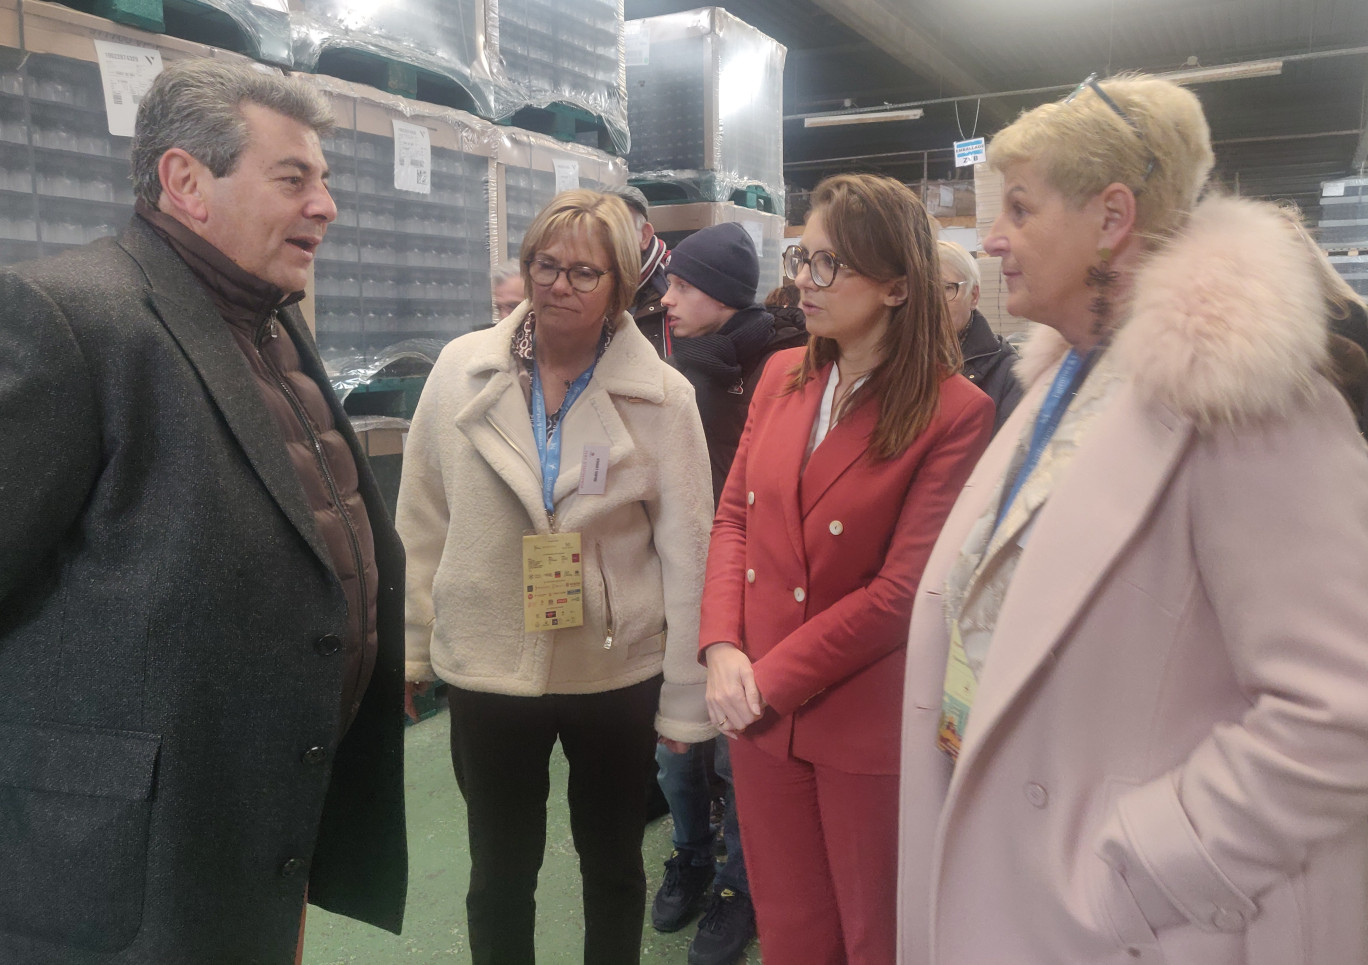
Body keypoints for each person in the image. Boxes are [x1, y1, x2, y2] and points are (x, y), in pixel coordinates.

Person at [897, 73, 1368, 965]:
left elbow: (1341, 707)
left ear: (1111, 218)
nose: (992, 237)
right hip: (1024, 878)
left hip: (1131, 921)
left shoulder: (1250, 401)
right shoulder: (1068, 379)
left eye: (1022, 210)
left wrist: (1143, 868)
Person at [0, 58, 407, 964]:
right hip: (124, 872)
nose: (325, 206)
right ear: (186, 181)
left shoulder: (269, 322)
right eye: (293, 179)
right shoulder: (74, 320)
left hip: (256, 823)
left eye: (325, 181)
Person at [396, 189, 716, 965]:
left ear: (621, 284)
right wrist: (408, 651)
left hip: (614, 667)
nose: (558, 285)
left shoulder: (663, 398)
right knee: (498, 870)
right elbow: (421, 520)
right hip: (487, 662)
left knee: (612, 867)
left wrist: (684, 695)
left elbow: (688, 551)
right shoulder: (457, 372)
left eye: (583, 271)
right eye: (545, 264)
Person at [699, 173, 994, 965]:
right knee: (792, 930)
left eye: (828, 264)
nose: (802, 278)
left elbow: (902, 593)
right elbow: (735, 518)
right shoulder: (780, 377)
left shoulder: (954, 410)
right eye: (802, 256)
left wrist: (767, 675)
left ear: (897, 286)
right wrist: (722, 646)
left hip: (858, 722)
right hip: (756, 709)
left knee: (874, 935)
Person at [648, 221, 806, 965]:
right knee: (676, 744)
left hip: (752, 589)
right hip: (675, 581)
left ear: (721, 294)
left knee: (736, 747)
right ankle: (691, 853)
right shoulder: (661, 362)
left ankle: (740, 887)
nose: (667, 298)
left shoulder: (783, 371)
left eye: (682, 285)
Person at [938, 239, 1022, 434]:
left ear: (973, 296)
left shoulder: (1007, 375)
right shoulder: (897, 363)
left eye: (945, 288)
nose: (932, 301)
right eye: (923, 289)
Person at [604, 183, 672, 357]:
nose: (609, 240)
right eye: (601, 229)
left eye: (621, 228)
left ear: (645, 236)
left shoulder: (673, 286)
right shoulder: (581, 282)